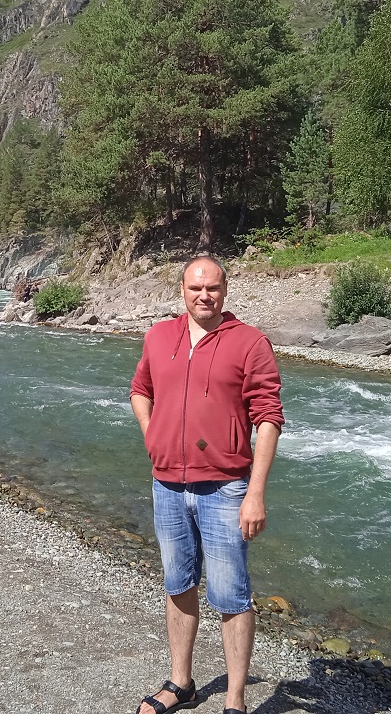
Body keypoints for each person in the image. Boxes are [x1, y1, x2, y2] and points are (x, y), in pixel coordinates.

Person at [130, 255, 284, 714]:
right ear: (182, 290)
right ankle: (182, 684)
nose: (204, 295)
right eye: (195, 288)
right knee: (178, 584)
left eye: (212, 287)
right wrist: (152, 435)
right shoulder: (159, 336)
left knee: (231, 595)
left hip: (225, 489)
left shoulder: (251, 343)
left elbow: (269, 418)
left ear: (224, 291)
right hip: (167, 486)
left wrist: (255, 494)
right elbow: (140, 390)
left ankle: (235, 700)